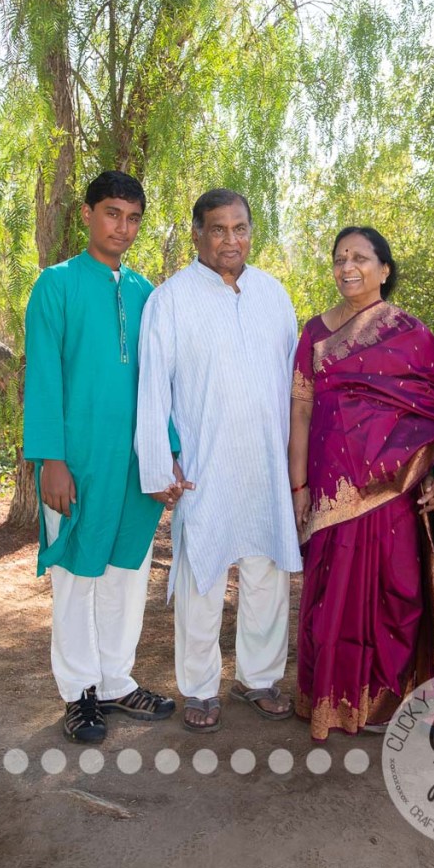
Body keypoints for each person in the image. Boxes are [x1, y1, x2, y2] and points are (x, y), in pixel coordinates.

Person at [136, 188, 302, 733]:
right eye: (218, 229)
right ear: (196, 234)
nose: (231, 240)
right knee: (202, 575)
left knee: (266, 571)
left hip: (266, 463)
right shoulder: (172, 299)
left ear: (252, 232)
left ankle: (258, 678)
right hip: (204, 464)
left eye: (240, 228)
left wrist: (297, 467)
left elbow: (294, 386)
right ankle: (200, 689)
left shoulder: (274, 295)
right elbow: (153, 390)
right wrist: (163, 463)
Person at [23, 171, 177, 743]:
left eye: (134, 217)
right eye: (113, 213)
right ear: (88, 214)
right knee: (74, 574)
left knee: (125, 572)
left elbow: (161, 385)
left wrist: (168, 455)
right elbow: (42, 375)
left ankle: (115, 680)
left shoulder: (146, 294)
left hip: (134, 462)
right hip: (76, 460)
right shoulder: (56, 285)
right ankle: (79, 691)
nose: (124, 227)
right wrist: (50, 460)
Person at [288, 226, 434, 741]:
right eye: (340, 258)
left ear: (385, 269)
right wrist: (298, 486)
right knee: (330, 597)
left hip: (393, 491)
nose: (348, 267)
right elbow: (300, 410)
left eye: (361, 257)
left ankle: (388, 703)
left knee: (395, 592)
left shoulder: (412, 333)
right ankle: (333, 702)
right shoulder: (314, 333)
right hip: (331, 487)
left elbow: (430, 410)